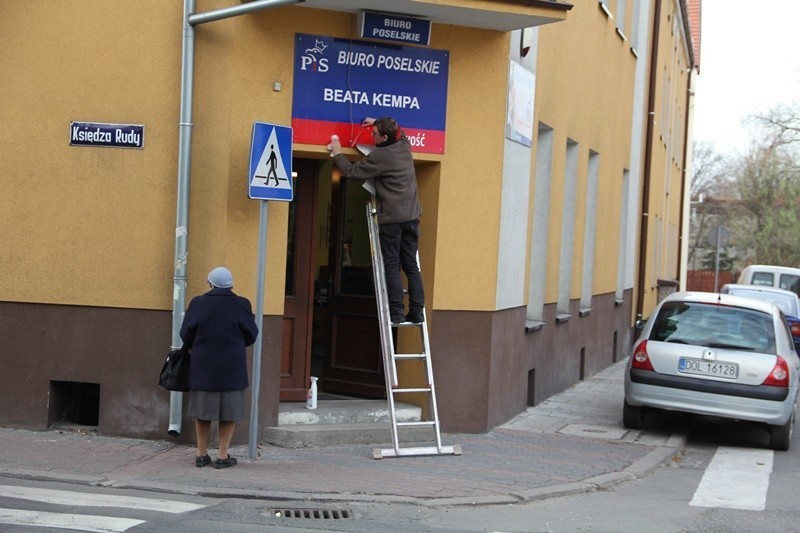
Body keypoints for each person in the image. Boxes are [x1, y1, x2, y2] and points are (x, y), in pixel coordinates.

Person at [328, 117, 425, 324]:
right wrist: (377, 120)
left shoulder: (380, 156)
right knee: (411, 266)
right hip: (412, 217)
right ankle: (417, 311)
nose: (371, 136)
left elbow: (352, 172)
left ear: (385, 137)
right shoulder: (404, 145)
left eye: (374, 134)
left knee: (391, 265)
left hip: (392, 219)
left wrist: (337, 153)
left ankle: (397, 313)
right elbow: (400, 129)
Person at [180, 266, 259, 469]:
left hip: (203, 364)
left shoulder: (198, 303)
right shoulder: (242, 304)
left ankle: (201, 453)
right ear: (231, 284)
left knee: (202, 411)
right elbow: (251, 334)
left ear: (210, 283)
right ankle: (222, 456)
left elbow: (185, 334)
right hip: (232, 365)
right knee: (229, 412)